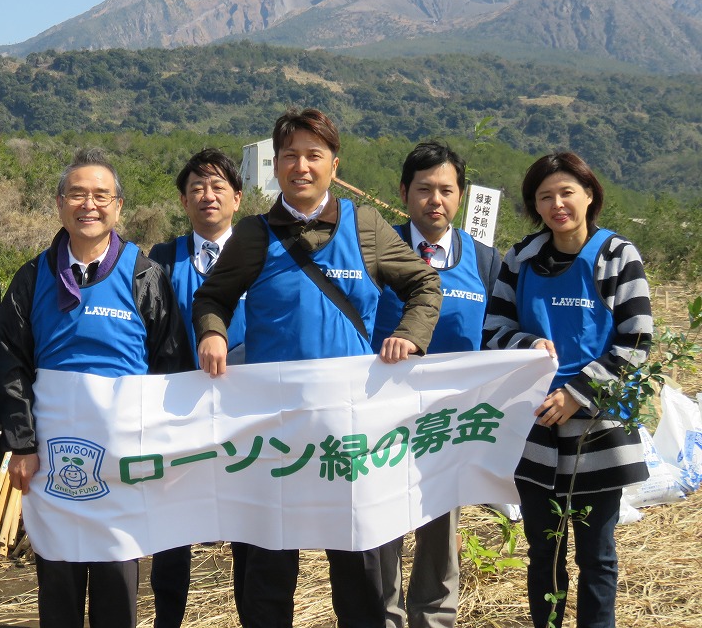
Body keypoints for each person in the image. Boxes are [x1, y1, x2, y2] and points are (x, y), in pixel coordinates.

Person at [193, 108, 443, 628]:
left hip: (348, 435)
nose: (301, 166)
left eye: (314, 155)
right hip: (273, 435)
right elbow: (212, 297)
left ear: (334, 164)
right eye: (290, 156)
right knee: (266, 574)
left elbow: (423, 285)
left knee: (360, 573)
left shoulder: (365, 226)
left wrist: (409, 337)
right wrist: (213, 331)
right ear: (276, 166)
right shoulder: (254, 235)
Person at [0, 147, 194, 628]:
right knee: (58, 578)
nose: (90, 204)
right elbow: (11, 366)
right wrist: (20, 444)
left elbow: (170, 367)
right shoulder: (31, 277)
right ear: (60, 203)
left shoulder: (145, 275)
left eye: (101, 195)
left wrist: (163, 444)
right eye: (78, 194)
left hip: (124, 458)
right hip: (51, 458)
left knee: (117, 575)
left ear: (118, 206)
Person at [483, 151, 651, 628]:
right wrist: (528, 342)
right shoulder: (521, 257)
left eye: (566, 193)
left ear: (589, 195)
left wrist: (578, 392)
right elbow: (493, 327)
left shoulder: (617, 254)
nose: (557, 205)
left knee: (597, 553)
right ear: (534, 205)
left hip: (599, 427)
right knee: (545, 552)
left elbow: (637, 338)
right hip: (534, 425)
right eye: (544, 196)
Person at [371, 141, 501, 628]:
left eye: (446, 190)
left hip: (453, 421)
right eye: (424, 189)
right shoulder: (375, 252)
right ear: (403, 193)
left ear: (461, 196)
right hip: (384, 416)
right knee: (382, 526)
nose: (435, 200)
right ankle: (384, 615)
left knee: (440, 527)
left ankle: (434, 618)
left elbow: (499, 335)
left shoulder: (485, 262)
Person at [147, 148, 246, 628]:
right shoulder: (160, 261)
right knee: (173, 529)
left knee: (253, 530)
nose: (207, 197)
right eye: (197, 189)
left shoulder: (265, 258)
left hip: (250, 416)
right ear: (184, 201)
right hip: (178, 414)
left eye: (218, 187)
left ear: (238, 198)